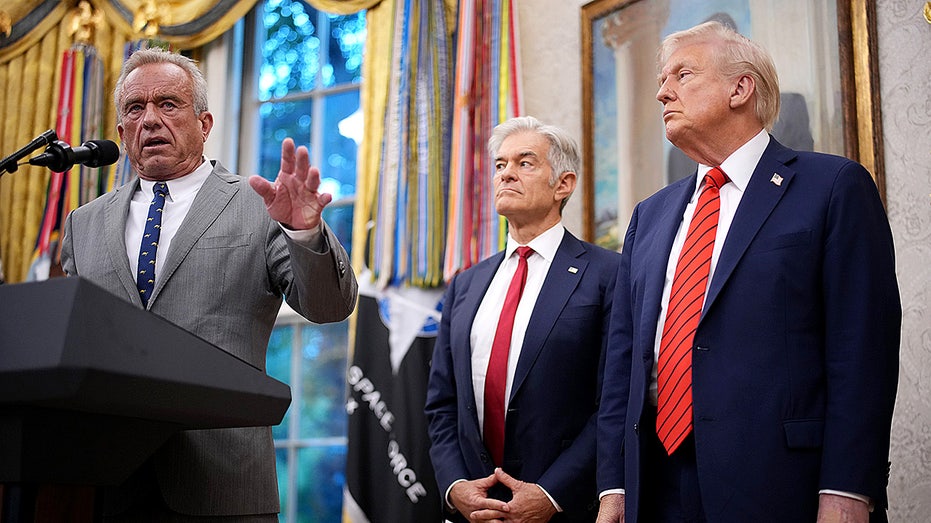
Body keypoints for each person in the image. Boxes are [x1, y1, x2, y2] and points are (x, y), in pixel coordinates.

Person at [595, 21, 901, 523]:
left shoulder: (833, 188)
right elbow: (623, 366)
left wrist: (848, 490)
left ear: (741, 88)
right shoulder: (648, 216)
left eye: (682, 74)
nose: (661, 92)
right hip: (654, 490)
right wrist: (612, 487)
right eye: (660, 79)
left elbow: (862, 352)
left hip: (782, 489)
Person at [60, 47, 358, 521]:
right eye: (136, 109)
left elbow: (328, 306)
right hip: (101, 483)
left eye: (168, 104)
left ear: (204, 123)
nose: (150, 120)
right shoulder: (83, 224)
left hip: (223, 483)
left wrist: (304, 232)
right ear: (121, 133)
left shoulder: (258, 204)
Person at [425, 116, 620, 522]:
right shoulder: (465, 285)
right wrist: (456, 486)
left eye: (525, 163)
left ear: (563, 184)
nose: (507, 174)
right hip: (476, 513)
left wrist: (551, 493)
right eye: (500, 165)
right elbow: (442, 405)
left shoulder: (608, 274)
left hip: (566, 509)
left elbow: (614, 404)